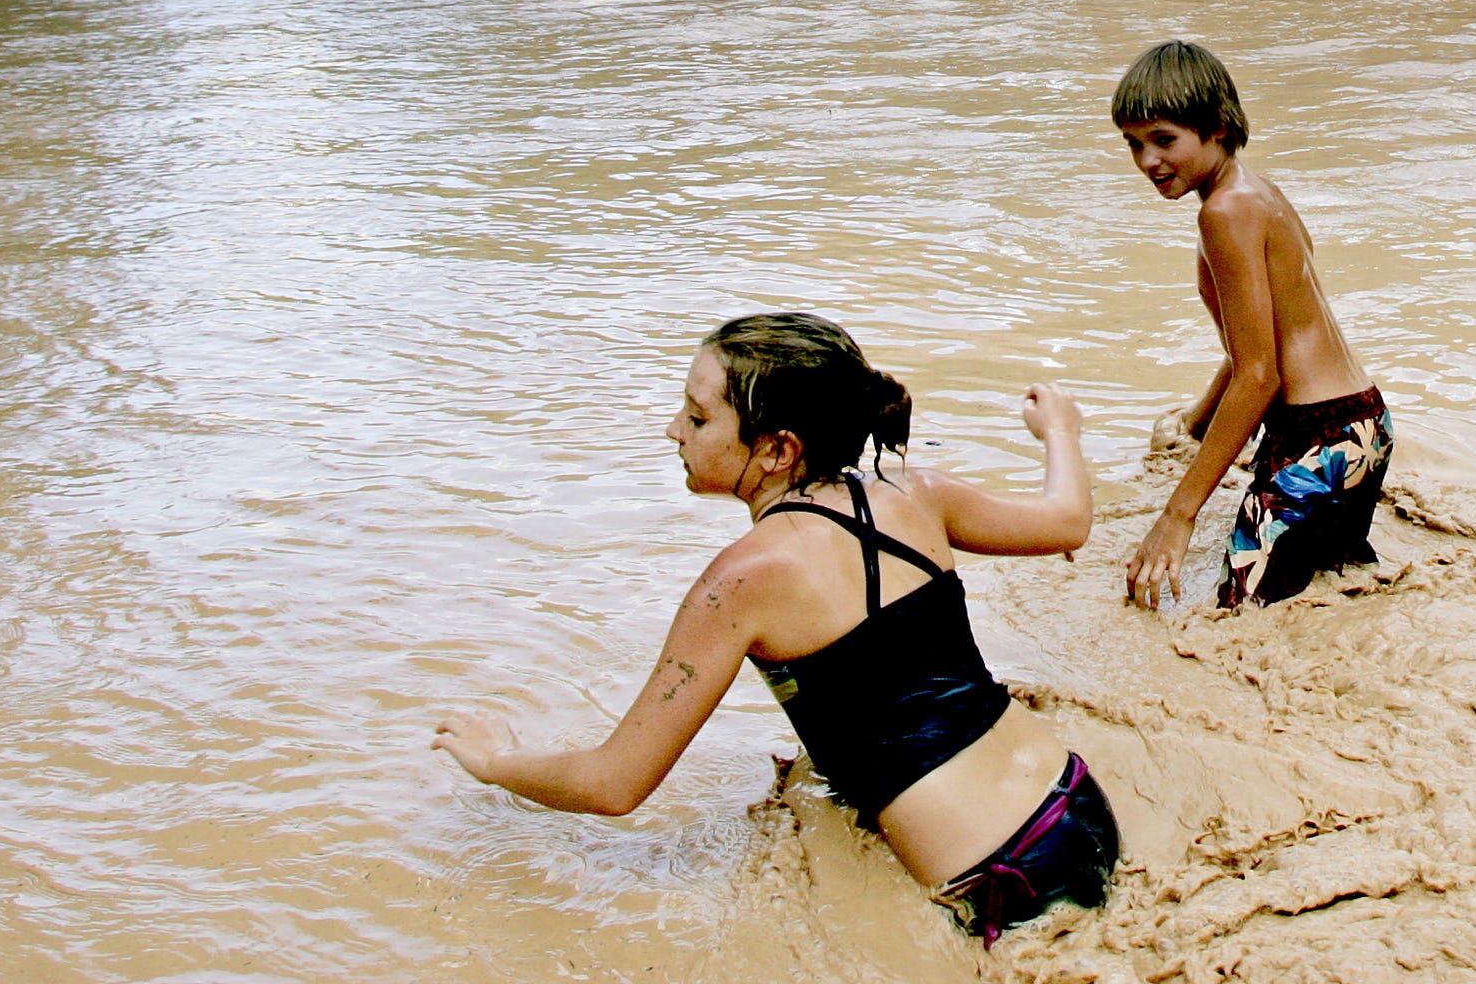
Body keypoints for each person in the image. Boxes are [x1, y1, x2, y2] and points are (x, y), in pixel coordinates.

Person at [431, 312, 1118, 946]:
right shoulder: (915, 494)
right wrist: (1061, 431)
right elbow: (1067, 524)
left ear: (777, 449)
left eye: (698, 418)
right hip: (1080, 804)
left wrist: (498, 766)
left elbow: (613, 784)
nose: (674, 429)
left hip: (998, 875)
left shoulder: (740, 582)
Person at [1112, 40, 1393, 610]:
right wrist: (1197, 421)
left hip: (1318, 441)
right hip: (1365, 425)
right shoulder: (1257, 192)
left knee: (1237, 616)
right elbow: (1257, 346)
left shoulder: (1223, 213)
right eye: (1133, 144)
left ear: (1217, 127)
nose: (1147, 162)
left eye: (1164, 140)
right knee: (1328, 598)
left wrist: (1177, 514)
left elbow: (1260, 375)